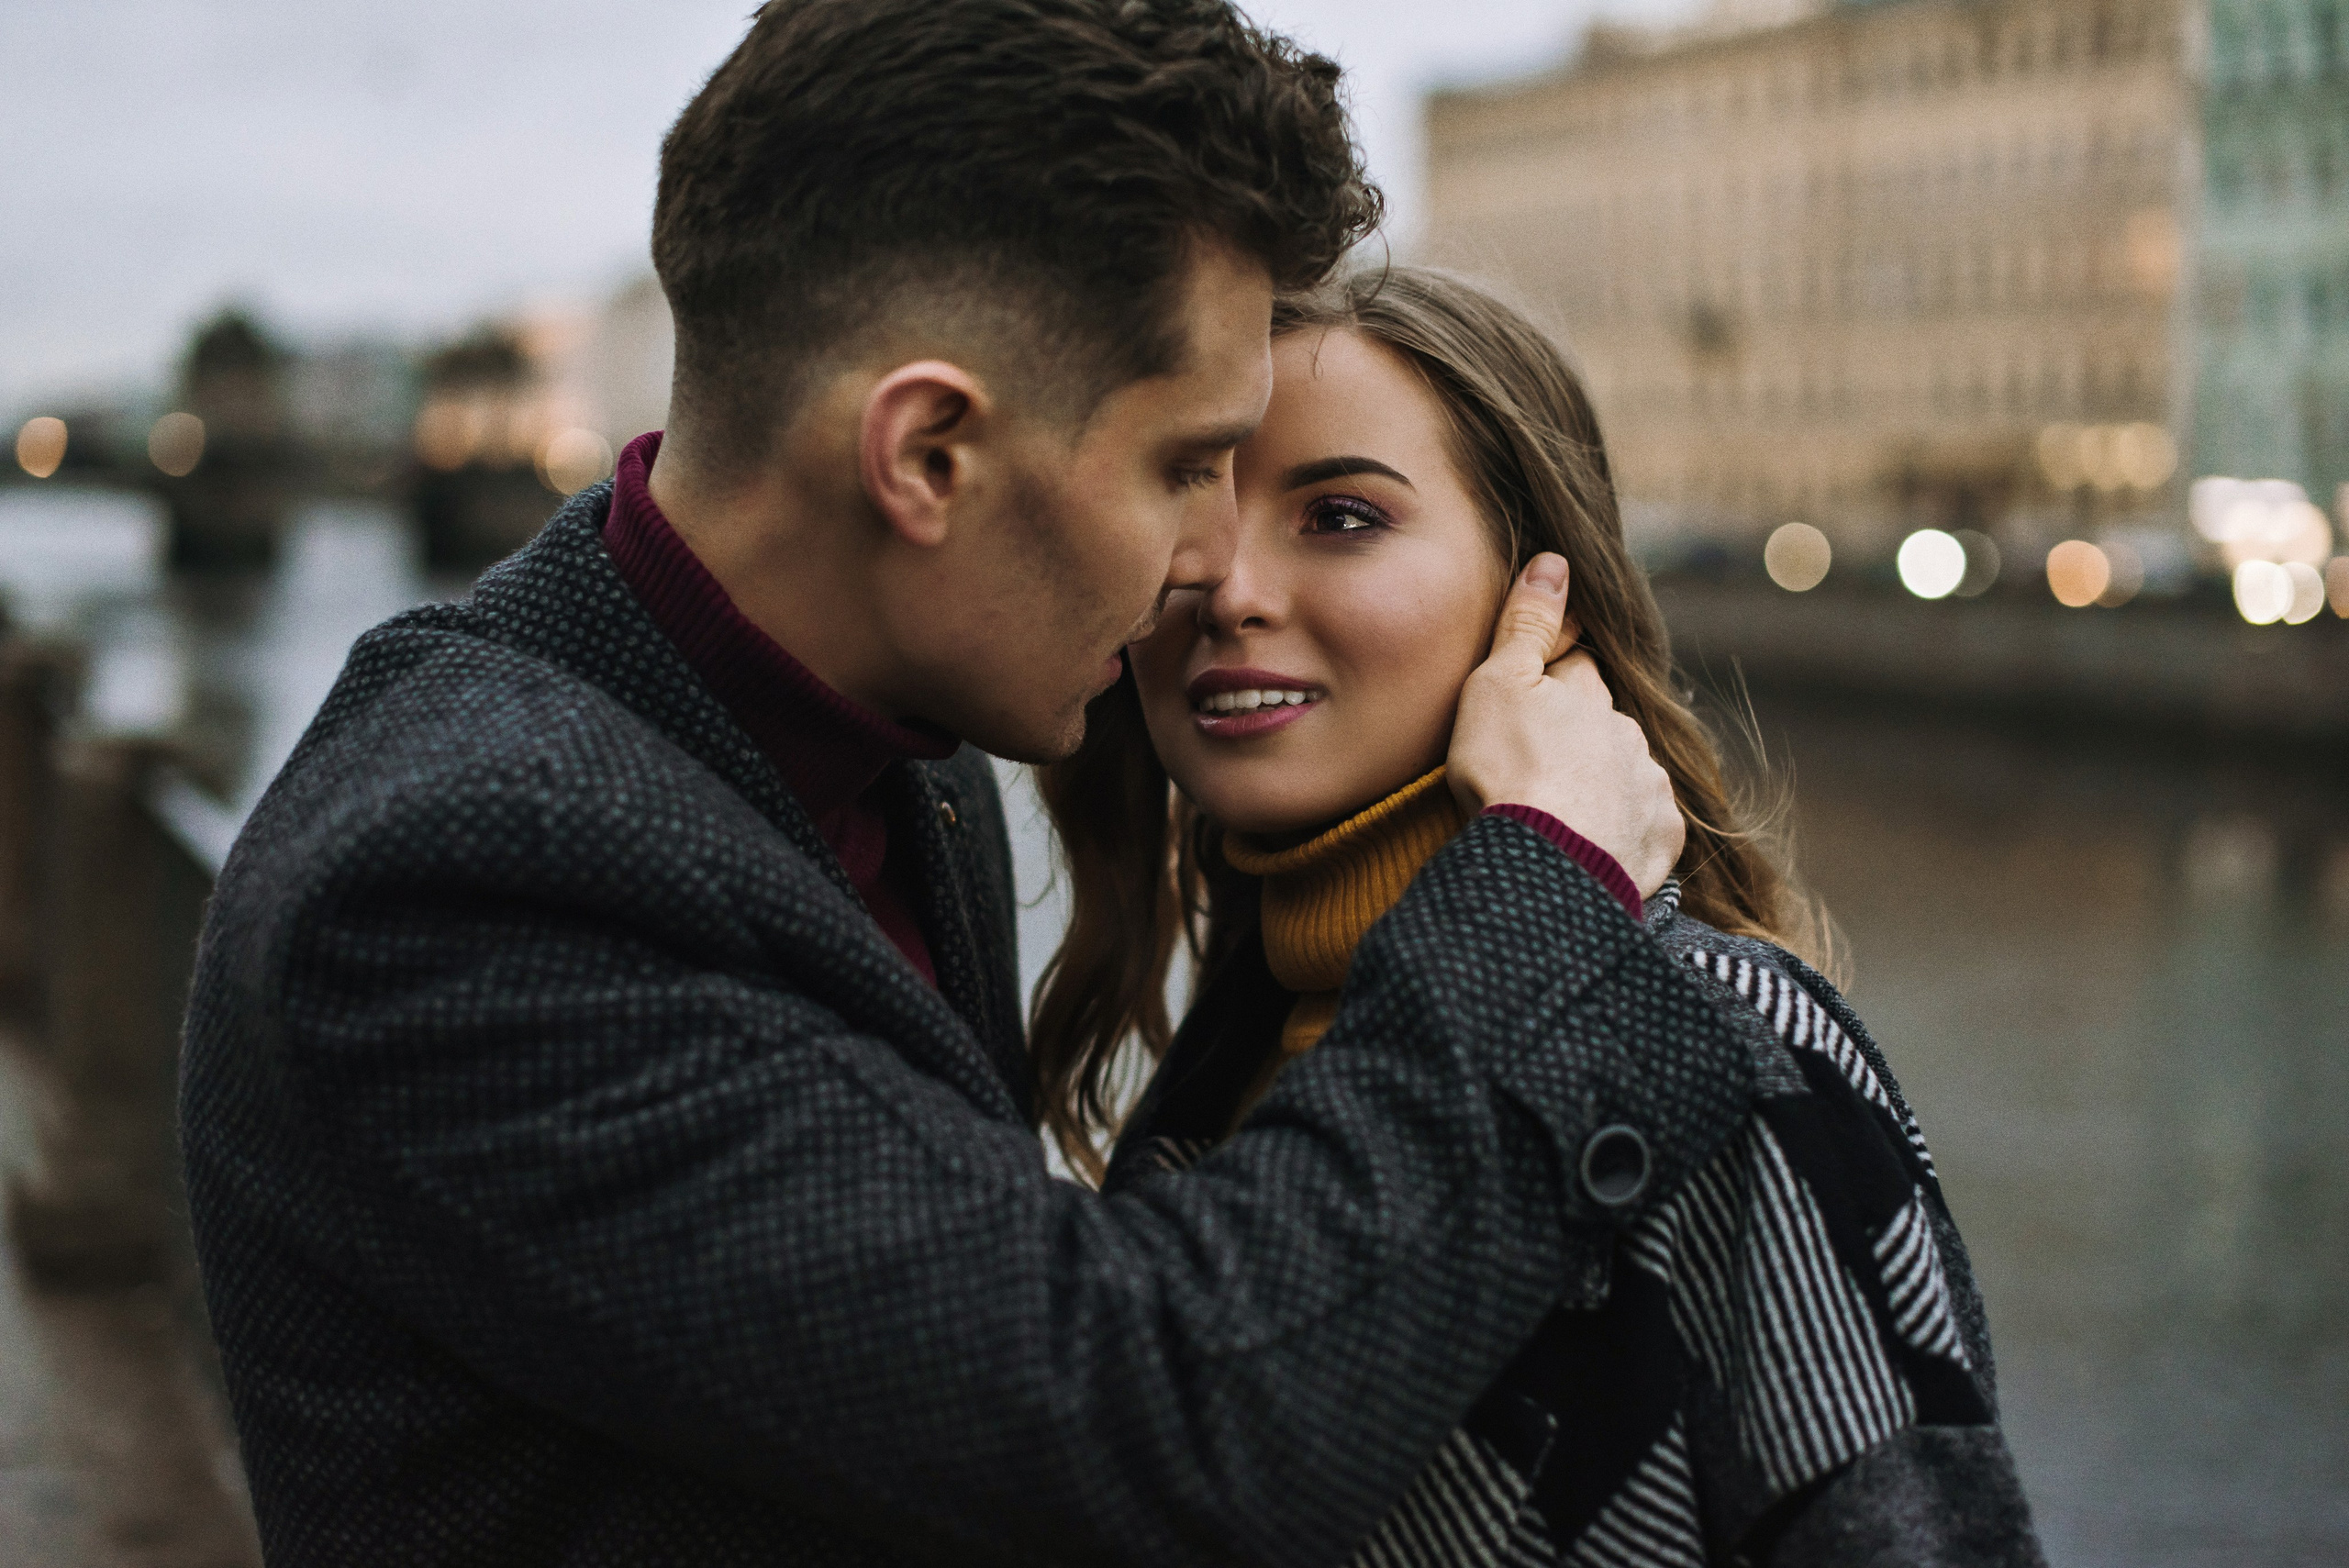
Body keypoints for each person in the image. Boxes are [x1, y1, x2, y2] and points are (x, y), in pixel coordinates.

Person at [179, 4, 1753, 1562]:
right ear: (927, 453)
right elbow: (1145, 1424)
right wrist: (1544, 886)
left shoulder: (900, 758)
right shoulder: (456, 877)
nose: (1215, 559)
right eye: (1185, 464)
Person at [1036, 267, 2044, 1563]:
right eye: (1195, 506)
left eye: (1340, 517)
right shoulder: (1241, 1030)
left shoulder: (1727, 1042)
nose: (1229, 590)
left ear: (1539, 595)